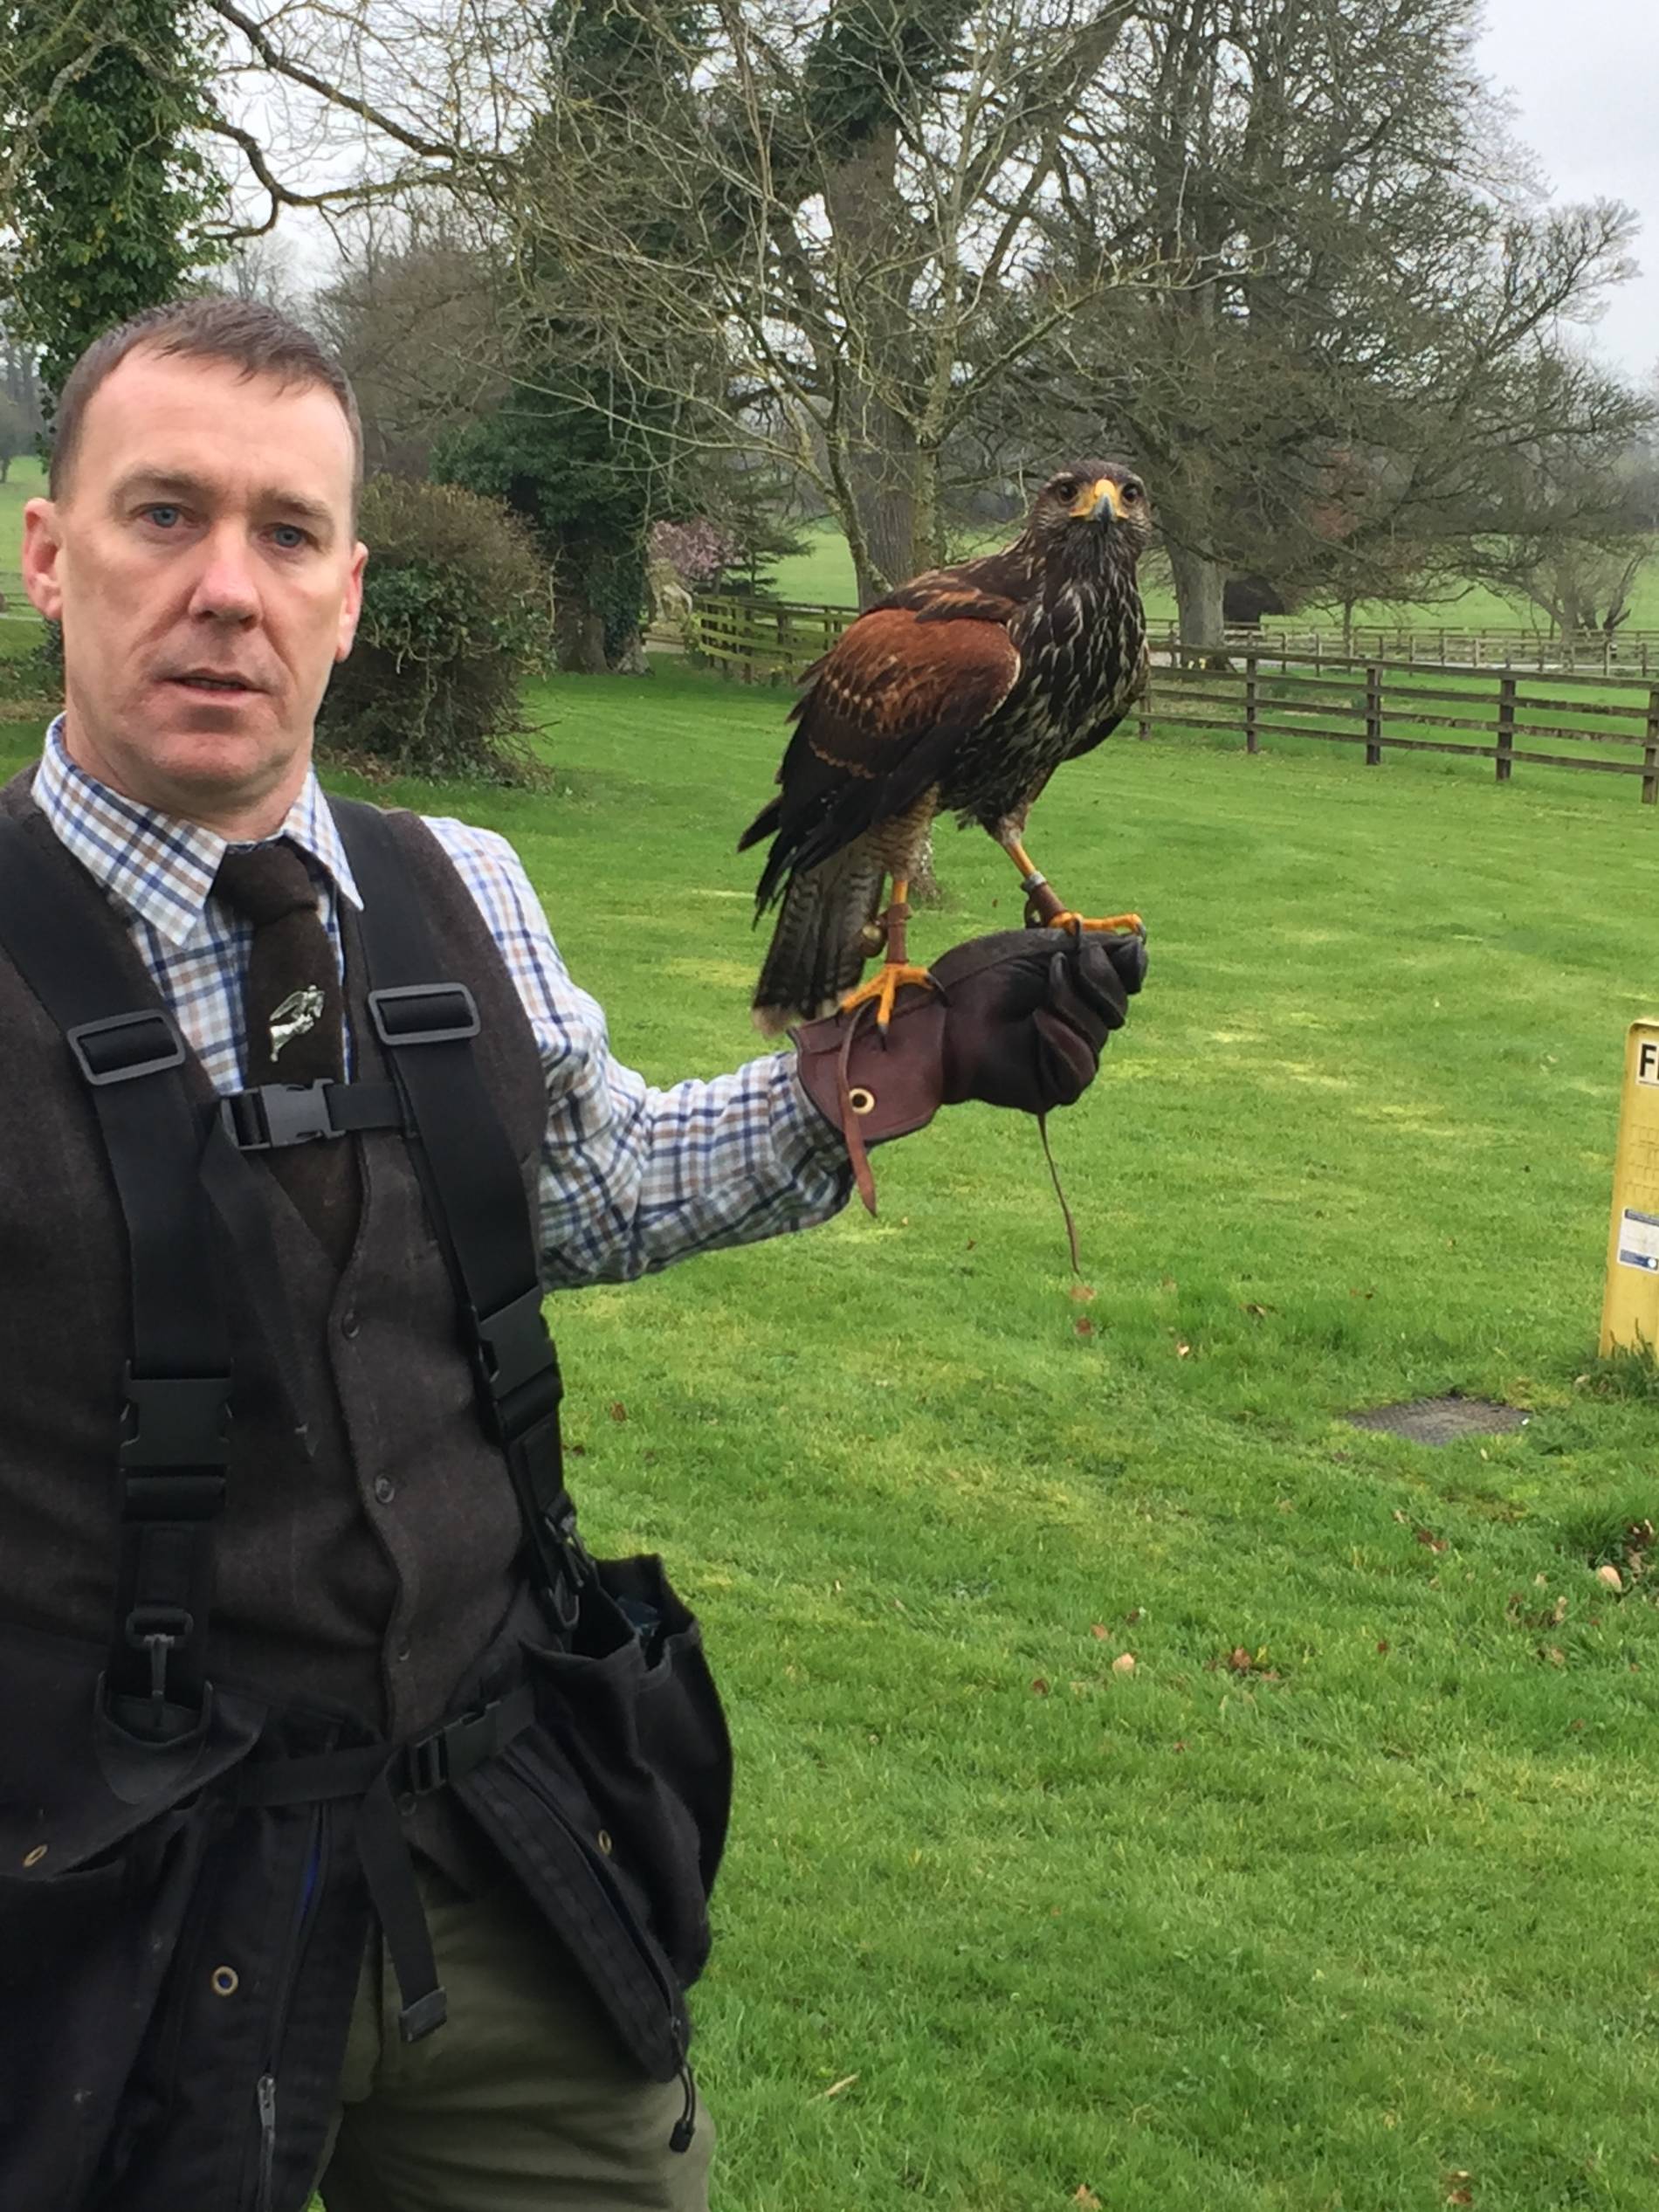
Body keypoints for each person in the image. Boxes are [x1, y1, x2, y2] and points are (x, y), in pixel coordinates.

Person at [0, 295, 1145, 2212]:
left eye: (285, 534)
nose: (225, 589)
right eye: (159, 515)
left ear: (349, 592)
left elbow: (589, 1189)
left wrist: (896, 1063)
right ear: (48, 551)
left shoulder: (466, 891)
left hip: (492, 1870)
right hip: (93, 1919)